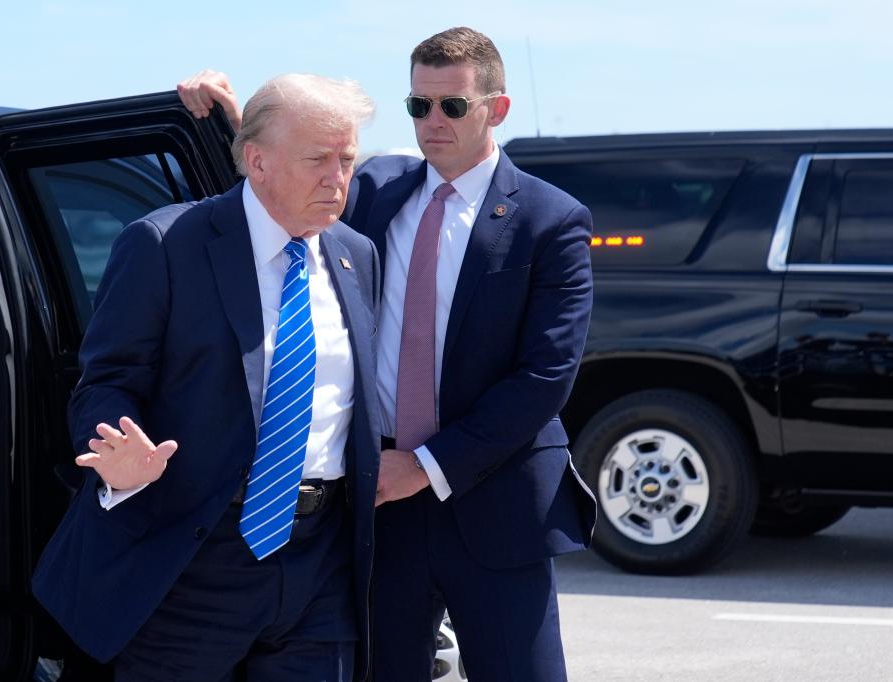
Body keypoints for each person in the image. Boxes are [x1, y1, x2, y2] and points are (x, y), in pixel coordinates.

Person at [181, 26, 597, 682]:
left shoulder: (551, 219)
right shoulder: (376, 189)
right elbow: (280, 185)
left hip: (494, 502)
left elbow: (544, 378)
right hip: (382, 512)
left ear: (498, 108)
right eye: (418, 105)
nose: (433, 121)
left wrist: (426, 466)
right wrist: (230, 118)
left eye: (452, 106)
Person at [32, 73, 381, 682]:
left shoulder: (356, 253)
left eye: (347, 159)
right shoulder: (167, 245)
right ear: (257, 161)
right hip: (194, 555)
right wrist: (117, 449)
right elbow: (106, 381)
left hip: (320, 560)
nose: (338, 179)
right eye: (318, 160)